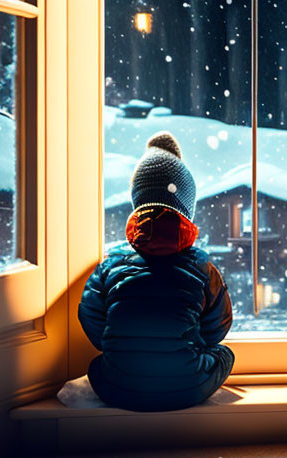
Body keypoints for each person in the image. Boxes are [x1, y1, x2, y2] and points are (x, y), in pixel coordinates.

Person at [78, 132, 234, 411]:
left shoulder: (111, 263)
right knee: (224, 355)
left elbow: (92, 320)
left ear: (137, 203)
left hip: (118, 388)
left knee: (98, 365)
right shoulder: (201, 267)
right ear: (188, 210)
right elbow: (217, 329)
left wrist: (124, 341)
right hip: (189, 387)